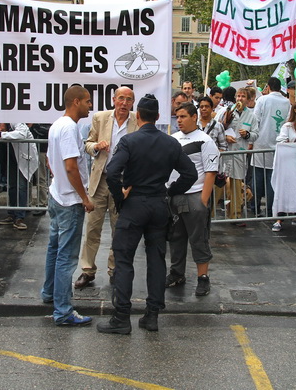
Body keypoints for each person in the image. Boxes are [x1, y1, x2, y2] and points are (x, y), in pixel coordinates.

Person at [96, 94, 197, 334]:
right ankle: (152, 315)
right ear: (158, 117)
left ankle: (121, 316)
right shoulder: (171, 143)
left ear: (137, 115)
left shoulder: (130, 141)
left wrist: (120, 196)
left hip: (134, 204)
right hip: (157, 204)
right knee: (156, 260)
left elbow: (112, 172)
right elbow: (190, 174)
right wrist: (170, 192)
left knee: (123, 260)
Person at [41, 86, 95, 326]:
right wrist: (84, 197)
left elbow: (50, 160)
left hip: (57, 195)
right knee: (66, 256)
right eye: (87, 102)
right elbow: (71, 166)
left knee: (54, 249)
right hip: (69, 200)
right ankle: (62, 311)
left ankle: (50, 294)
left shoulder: (56, 125)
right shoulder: (69, 128)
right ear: (76, 102)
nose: (90, 106)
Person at [75, 86, 138, 289]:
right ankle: (87, 270)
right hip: (100, 180)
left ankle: (115, 270)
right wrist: (96, 147)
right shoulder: (100, 118)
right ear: (113, 100)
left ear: (133, 103)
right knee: (92, 227)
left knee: (119, 229)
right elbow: (87, 143)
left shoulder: (137, 120)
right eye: (121, 98)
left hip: (122, 183)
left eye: (129, 100)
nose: (124, 103)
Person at [164, 101, 219, 297]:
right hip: (175, 196)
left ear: (194, 117)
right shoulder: (172, 139)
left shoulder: (206, 141)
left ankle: (203, 278)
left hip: (196, 196)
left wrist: (203, 201)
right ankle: (176, 273)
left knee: (199, 239)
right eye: (177, 117)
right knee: (176, 238)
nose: (179, 120)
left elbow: (211, 172)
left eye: (183, 116)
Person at [0, 122, 38, 230]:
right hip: (9, 160)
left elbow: (22, 134)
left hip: (23, 158)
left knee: (21, 186)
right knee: (12, 186)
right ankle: (12, 214)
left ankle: (19, 217)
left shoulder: (16, 121)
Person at [249, 77, 290, 219]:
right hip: (279, 144)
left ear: (268, 86)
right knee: (272, 180)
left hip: (261, 142)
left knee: (258, 178)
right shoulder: (287, 102)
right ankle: (270, 209)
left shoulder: (263, 100)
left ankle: (255, 207)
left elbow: (256, 120)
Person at [220, 87, 258, 222]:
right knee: (220, 183)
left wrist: (247, 134)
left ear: (248, 100)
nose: (240, 99)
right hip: (225, 151)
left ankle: (235, 214)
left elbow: (255, 134)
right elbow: (218, 128)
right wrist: (225, 136)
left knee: (237, 185)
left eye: (243, 97)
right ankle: (213, 213)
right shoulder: (227, 112)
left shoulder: (252, 116)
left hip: (240, 152)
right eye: (238, 96)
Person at [272, 100, 296, 232]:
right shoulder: (287, 126)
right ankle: (279, 218)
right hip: (289, 164)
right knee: (284, 190)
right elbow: (281, 141)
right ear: (295, 110)